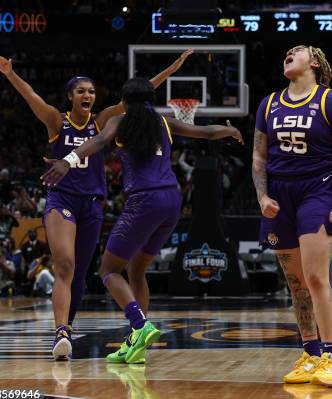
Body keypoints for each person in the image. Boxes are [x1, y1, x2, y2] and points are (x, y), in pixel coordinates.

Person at [0, 49, 194, 360]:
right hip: (63, 200)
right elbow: (30, 95)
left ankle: (67, 330)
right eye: (81, 91)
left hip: (93, 204)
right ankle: (60, 332)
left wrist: (172, 68)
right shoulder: (56, 120)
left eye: (92, 91)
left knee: (82, 272)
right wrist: (10, 74)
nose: (88, 95)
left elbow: (140, 93)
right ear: (71, 96)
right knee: (64, 265)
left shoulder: (103, 121)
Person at [41, 77, 243, 364]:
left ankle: (139, 323)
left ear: (126, 100)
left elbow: (97, 141)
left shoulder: (121, 122)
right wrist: (230, 129)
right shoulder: (163, 121)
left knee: (109, 270)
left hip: (144, 201)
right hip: (173, 201)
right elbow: (207, 132)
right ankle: (136, 346)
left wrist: (67, 160)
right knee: (136, 271)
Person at [253, 45, 332, 386]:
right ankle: (310, 354)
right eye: (286, 52)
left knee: (315, 278)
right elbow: (258, 157)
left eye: (296, 52)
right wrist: (262, 195)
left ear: (313, 62)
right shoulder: (268, 103)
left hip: (318, 190)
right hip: (280, 194)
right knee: (296, 284)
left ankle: (331, 357)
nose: (288, 54)